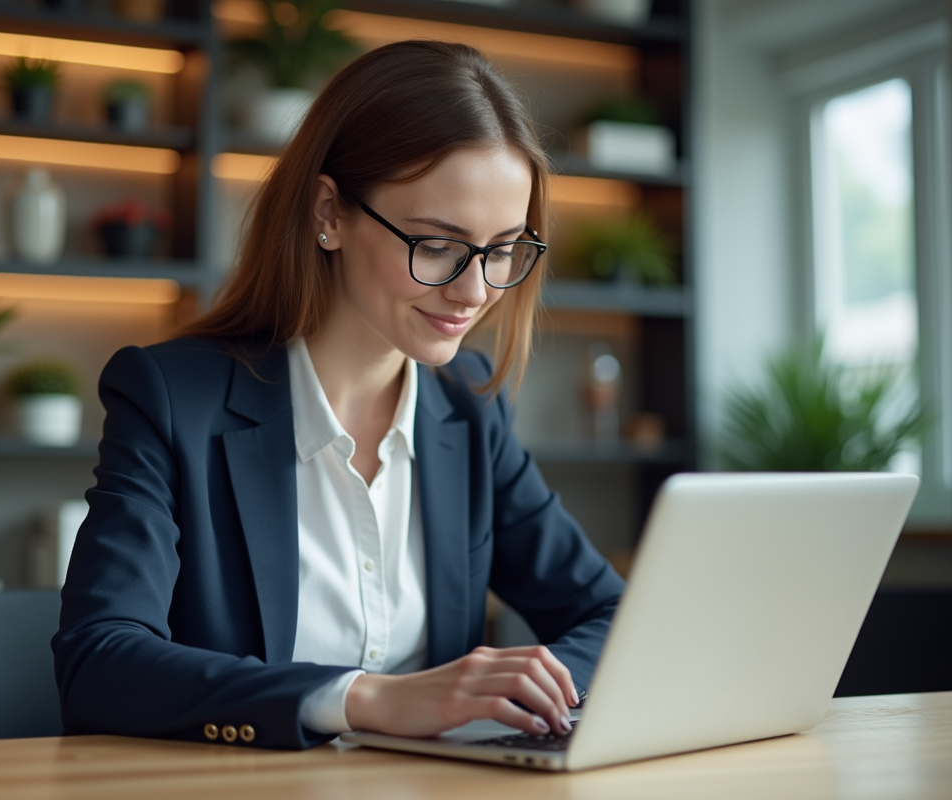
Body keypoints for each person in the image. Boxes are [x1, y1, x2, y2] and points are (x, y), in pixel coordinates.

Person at [53, 40, 625, 751]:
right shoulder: (172, 399)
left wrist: (530, 688)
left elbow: (613, 616)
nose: (475, 291)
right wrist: (364, 699)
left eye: (503, 248)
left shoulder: (470, 412)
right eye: (437, 245)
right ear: (329, 212)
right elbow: (99, 662)